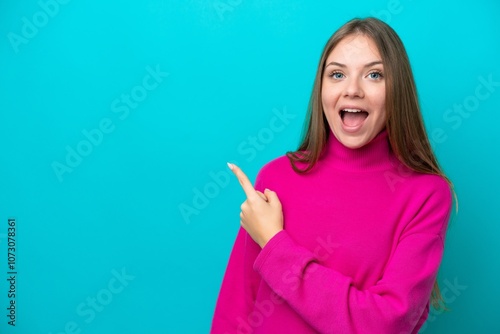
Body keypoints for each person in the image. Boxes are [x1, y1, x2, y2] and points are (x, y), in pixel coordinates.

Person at [211, 17, 455, 334]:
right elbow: (237, 307)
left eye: (374, 75)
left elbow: (385, 324)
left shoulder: (427, 194)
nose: (352, 90)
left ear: (398, 89)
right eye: (337, 74)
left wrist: (275, 246)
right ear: (321, 87)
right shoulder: (276, 177)